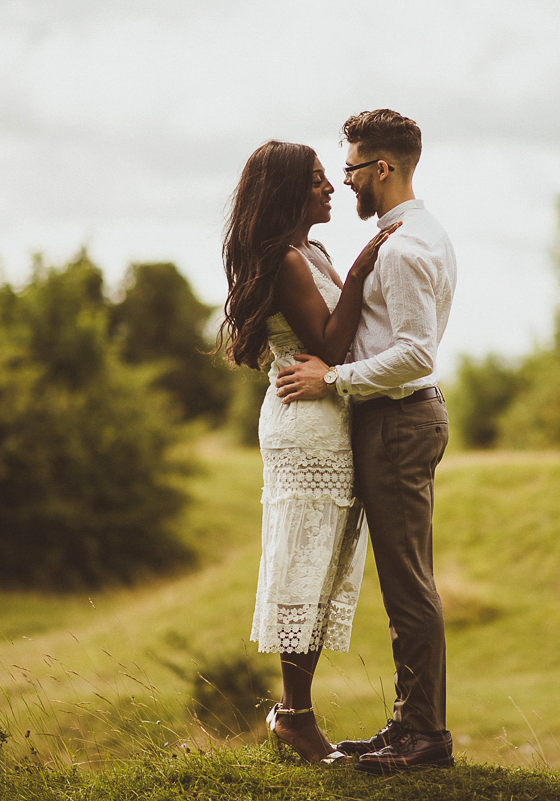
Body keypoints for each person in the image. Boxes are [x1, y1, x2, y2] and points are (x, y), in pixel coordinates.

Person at [275, 109, 458, 774]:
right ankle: (412, 724)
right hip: (399, 417)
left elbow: (415, 353)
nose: (344, 181)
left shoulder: (406, 247)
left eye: (350, 168)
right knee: (407, 580)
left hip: (398, 417)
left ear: (381, 168)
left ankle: (424, 736)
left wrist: (334, 379)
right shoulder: (417, 233)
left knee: (408, 584)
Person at [219, 140, 399, 765]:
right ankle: (293, 716)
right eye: (320, 180)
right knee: (303, 564)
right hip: (306, 427)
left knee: (322, 566)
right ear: (291, 191)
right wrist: (362, 269)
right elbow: (331, 342)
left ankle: (295, 714)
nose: (332, 188)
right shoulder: (289, 260)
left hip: (327, 413)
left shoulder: (310, 251)